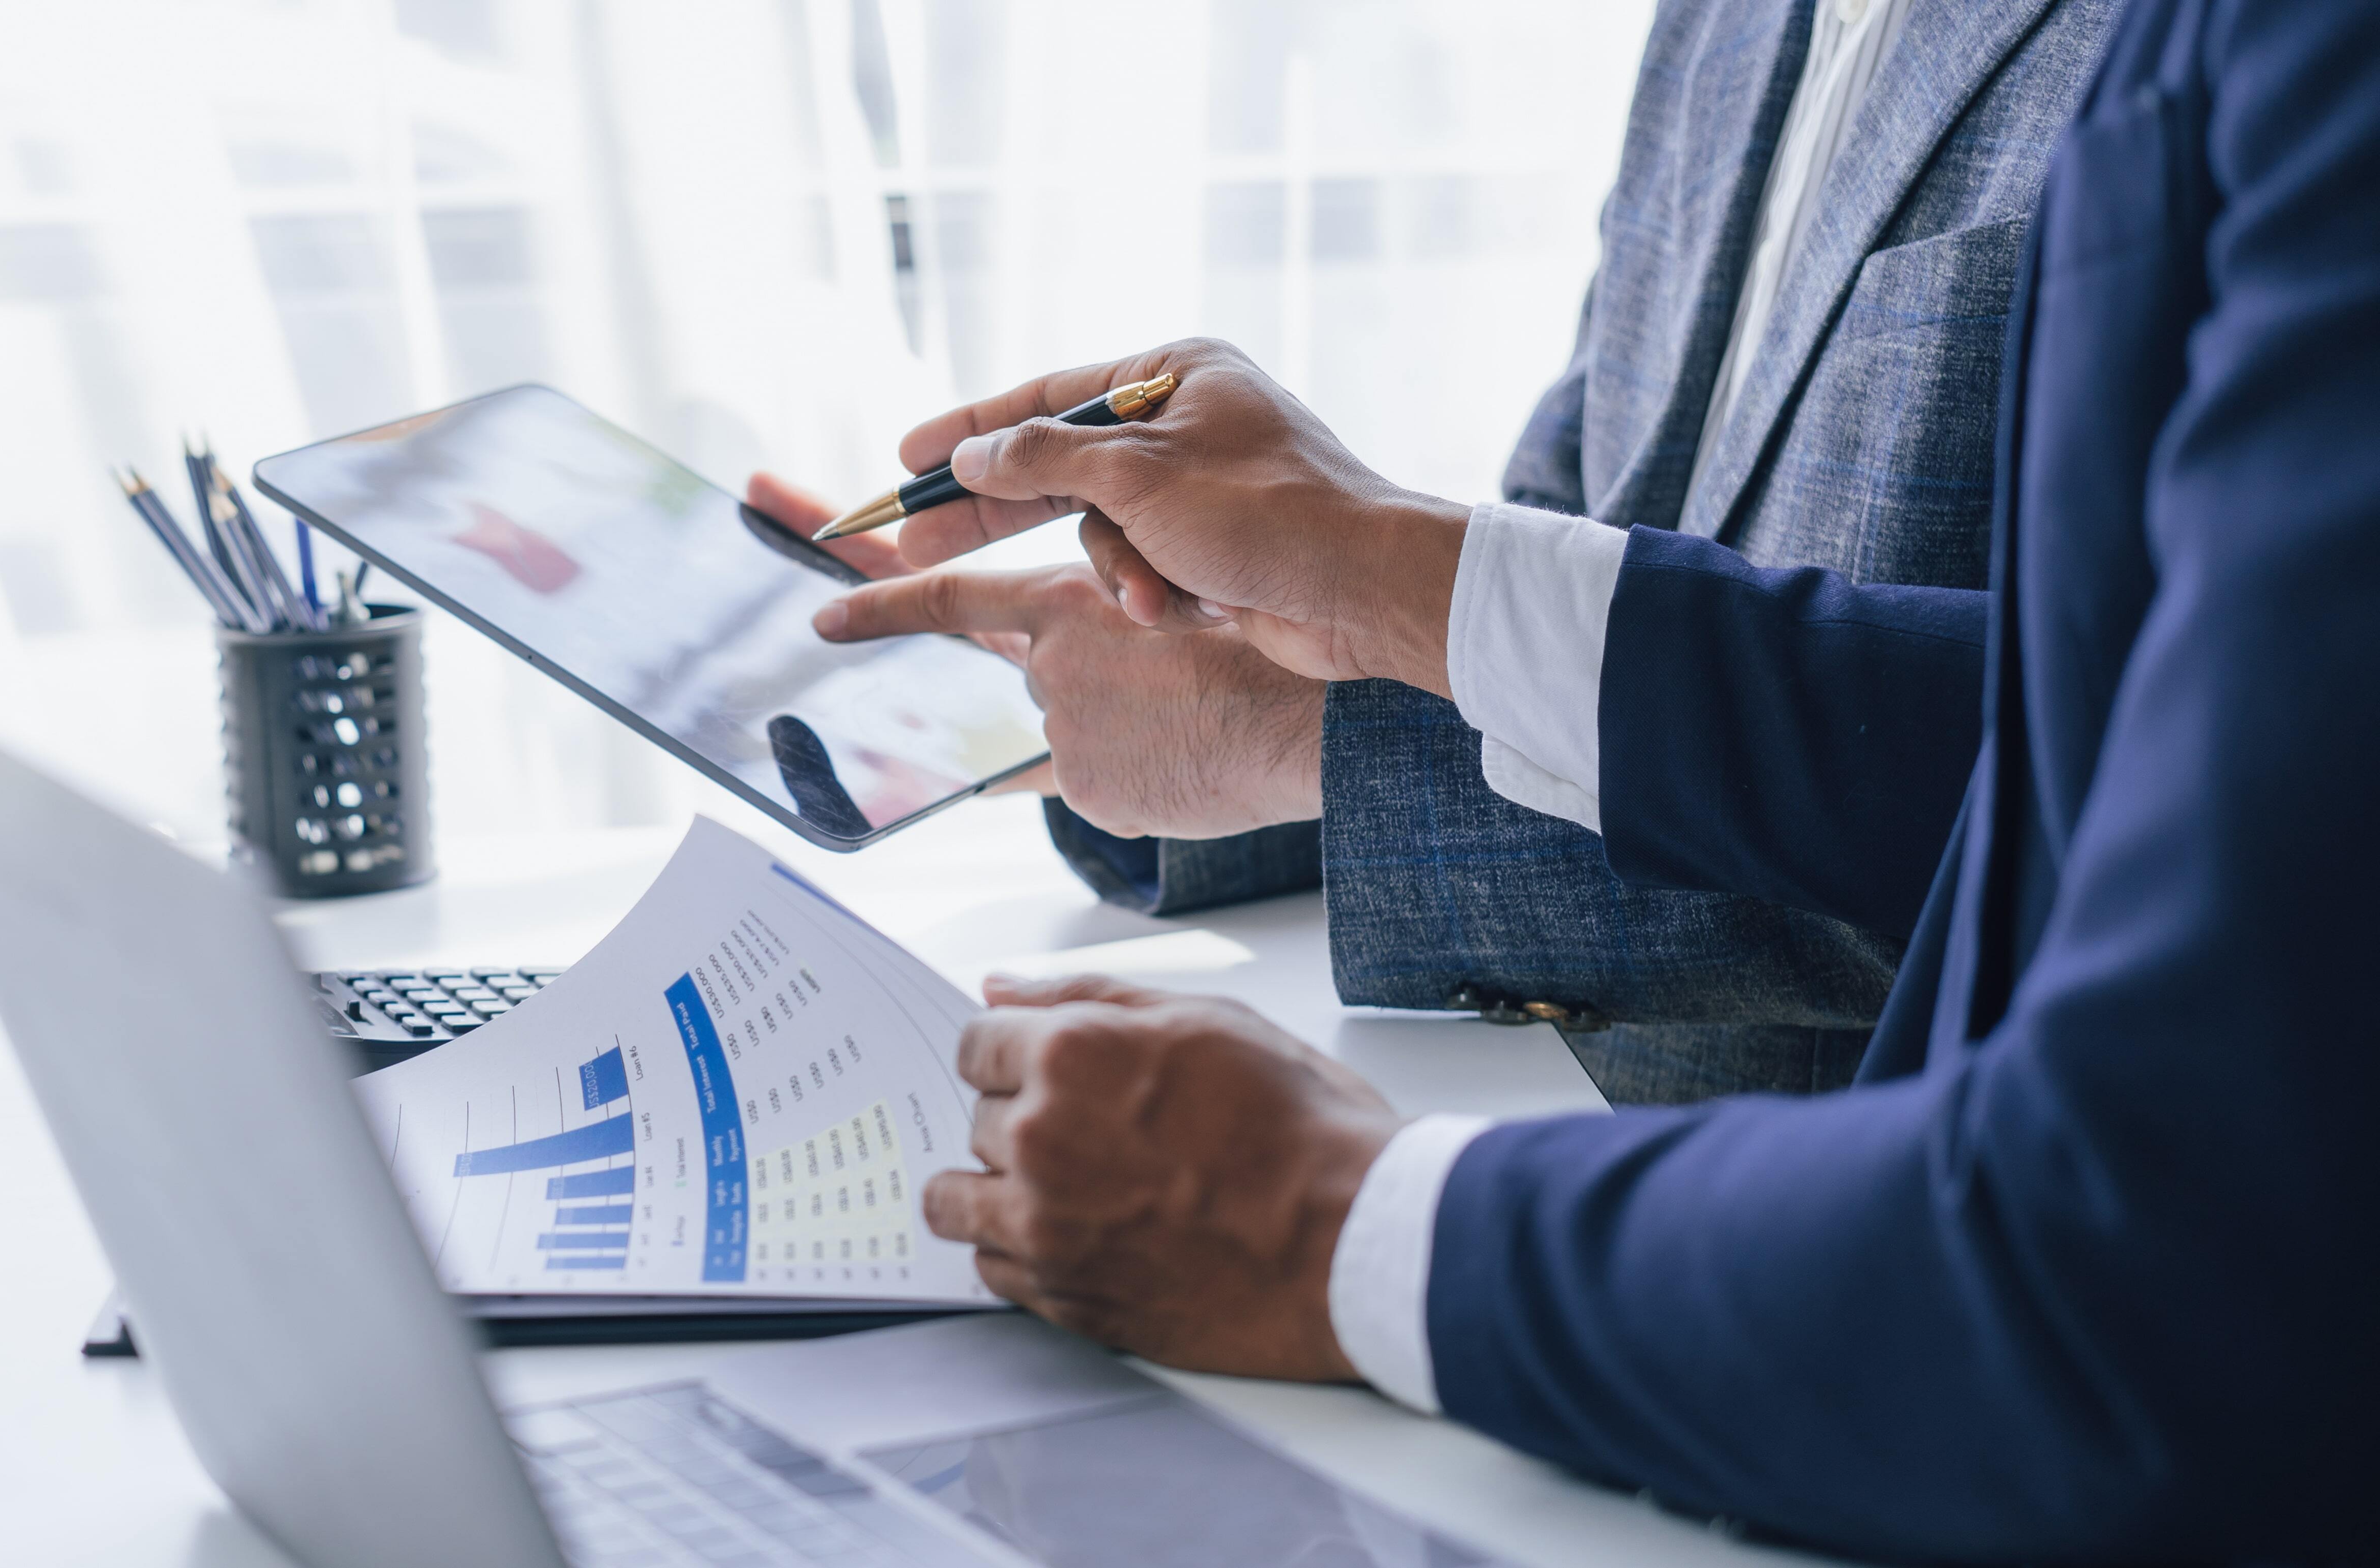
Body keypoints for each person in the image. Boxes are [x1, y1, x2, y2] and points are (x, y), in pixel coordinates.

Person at [863, 0, 2380, 1556]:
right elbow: (1588, 538)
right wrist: (1302, 668)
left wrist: (1334, 1216)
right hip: (1672, 1314)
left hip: (1863, 1341)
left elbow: (2079, 831)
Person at [764, 0, 2120, 1105]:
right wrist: (1190, 661)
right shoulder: (1732, 25)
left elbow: (2114, 801)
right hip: (1527, 1138)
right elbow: (1586, 545)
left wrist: (1312, 729)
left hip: (1897, 1256)